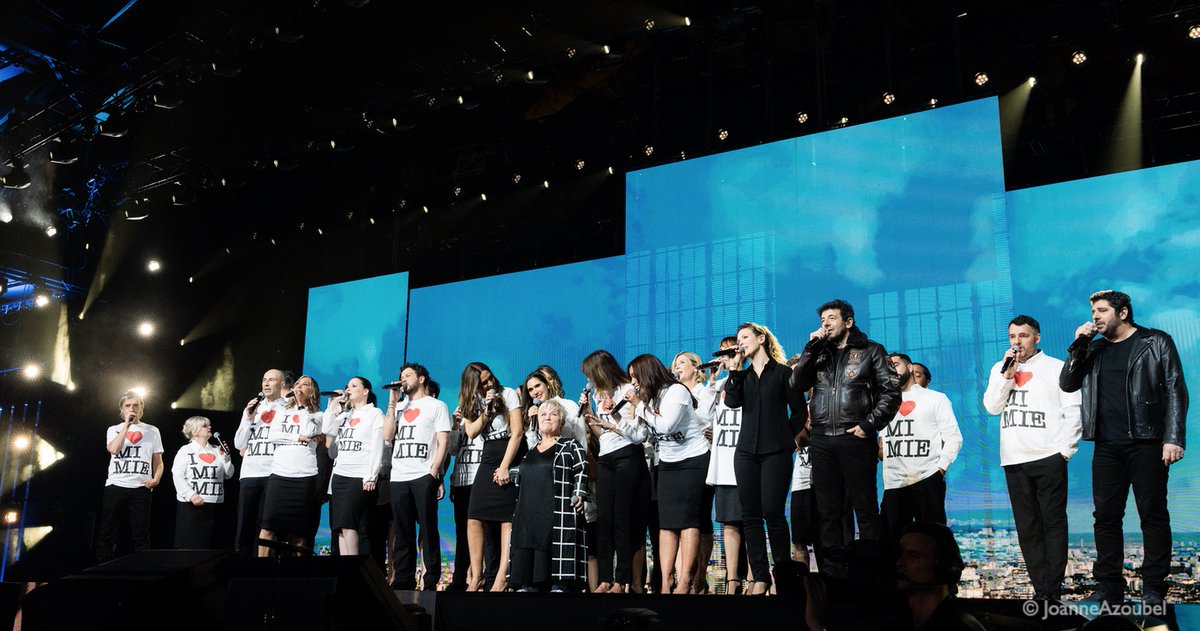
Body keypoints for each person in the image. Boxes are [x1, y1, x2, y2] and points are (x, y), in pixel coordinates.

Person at [1060, 290, 1187, 606]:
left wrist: (1173, 437)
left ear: (1123, 313)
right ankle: (1109, 587)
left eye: (1102, 311)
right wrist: (1079, 344)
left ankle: (1154, 587)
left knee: (1152, 515)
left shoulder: (1156, 341)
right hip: (1106, 445)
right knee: (1105, 517)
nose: (1095, 317)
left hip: (1147, 441)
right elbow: (1068, 383)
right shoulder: (1094, 348)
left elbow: (1175, 390)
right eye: (1093, 312)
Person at [790, 299, 901, 575]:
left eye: (832, 318)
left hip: (855, 438)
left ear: (848, 322)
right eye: (822, 320)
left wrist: (869, 424)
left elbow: (891, 393)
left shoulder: (871, 351)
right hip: (822, 440)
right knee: (828, 512)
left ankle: (871, 574)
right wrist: (810, 348)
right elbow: (797, 383)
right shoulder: (819, 352)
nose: (825, 324)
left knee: (865, 509)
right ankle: (833, 574)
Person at [981, 315, 1082, 600]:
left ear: (1036, 337)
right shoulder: (1000, 368)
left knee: (1053, 523)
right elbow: (992, 407)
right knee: (1027, 528)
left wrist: (1064, 451)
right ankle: (1041, 590)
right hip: (1013, 458)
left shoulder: (1056, 367)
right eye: (1013, 336)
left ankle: (1053, 590)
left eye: (1023, 336)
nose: (1017, 342)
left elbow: (1074, 410)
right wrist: (1006, 376)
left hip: (1048, 455)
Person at [724, 322, 806, 594]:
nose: (740, 343)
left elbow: (799, 412)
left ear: (761, 339)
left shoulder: (783, 373)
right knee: (750, 516)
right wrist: (734, 370)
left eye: (745, 337)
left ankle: (782, 575)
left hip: (776, 452)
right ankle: (760, 577)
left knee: (773, 512)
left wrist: (788, 439)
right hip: (746, 452)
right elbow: (731, 402)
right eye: (738, 339)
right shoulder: (742, 376)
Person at [626, 353, 710, 594]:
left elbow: (666, 426)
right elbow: (638, 437)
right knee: (667, 523)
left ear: (646, 373)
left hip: (693, 459)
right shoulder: (649, 398)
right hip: (668, 462)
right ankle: (665, 582)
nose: (633, 382)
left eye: (635, 376)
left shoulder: (677, 391)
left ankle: (685, 580)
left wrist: (639, 405)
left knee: (688, 520)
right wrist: (618, 417)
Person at [580, 350, 650, 594]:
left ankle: (622, 580)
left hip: (628, 454)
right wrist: (589, 415)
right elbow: (603, 433)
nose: (588, 380)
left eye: (590, 374)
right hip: (606, 456)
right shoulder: (598, 394)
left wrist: (615, 414)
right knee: (604, 518)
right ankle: (605, 579)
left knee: (622, 516)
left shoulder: (627, 390)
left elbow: (634, 432)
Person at [509, 399, 590, 592]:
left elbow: (581, 468)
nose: (547, 417)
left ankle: (558, 583)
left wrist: (579, 493)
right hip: (528, 509)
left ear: (561, 422)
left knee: (551, 538)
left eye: (553, 414)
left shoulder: (570, 445)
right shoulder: (530, 450)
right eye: (543, 414)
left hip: (556, 507)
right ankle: (527, 582)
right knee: (527, 537)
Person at [384, 363, 450, 590]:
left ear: (421, 379)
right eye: (401, 376)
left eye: (408, 375)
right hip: (399, 475)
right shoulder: (399, 406)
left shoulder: (436, 405)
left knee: (428, 527)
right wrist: (392, 403)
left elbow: (443, 441)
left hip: (423, 473)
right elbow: (387, 435)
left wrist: (434, 471)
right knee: (402, 529)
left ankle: (430, 577)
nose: (403, 379)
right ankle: (404, 577)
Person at [461, 362, 525, 591]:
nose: (490, 383)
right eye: (484, 382)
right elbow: (471, 432)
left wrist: (505, 466)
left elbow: (518, 432)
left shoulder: (507, 394)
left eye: (490, 378)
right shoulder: (472, 401)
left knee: (507, 517)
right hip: (488, 454)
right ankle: (476, 576)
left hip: (510, 452)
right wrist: (487, 411)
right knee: (474, 515)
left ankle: (501, 576)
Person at [882, 353, 963, 535]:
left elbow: (953, 437)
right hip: (894, 482)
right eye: (887, 367)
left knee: (932, 539)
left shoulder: (935, 398)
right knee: (891, 541)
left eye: (895, 364)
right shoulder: (885, 403)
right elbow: (882, 442)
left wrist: (939, 470)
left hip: (927, 478)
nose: (891, 370)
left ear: (909, 367)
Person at [705, 336, 751, 593]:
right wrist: (711, 381)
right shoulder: (720, 385)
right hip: (723, 462)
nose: (725, 356)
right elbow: (702, 415)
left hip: (746, 459)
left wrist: (737, 368)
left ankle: (755, 577)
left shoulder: (750, 378)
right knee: (729, 522)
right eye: (722, 353)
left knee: (752, 520)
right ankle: (732, 579)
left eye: (730, 352)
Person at [259, 374, 324, 556]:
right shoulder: (282, 411)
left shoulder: (318, 415)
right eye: (297, 383)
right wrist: (298, 438)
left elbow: (309, 430)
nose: (299, 386)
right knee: (268, 526)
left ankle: (295, 570)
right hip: (280, 474)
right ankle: (260, 568)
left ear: (312, 391)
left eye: (305, 384)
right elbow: (273, 435)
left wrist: (302, 407)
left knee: (299, 531)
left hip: (304, 476)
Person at [672, 351, 720, 594]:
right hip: (677, 461)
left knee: (701, 517)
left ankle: (700, 576)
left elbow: (704, 420)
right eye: (674, 364)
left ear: (695, 367)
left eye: (682, 363)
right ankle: (683, 576)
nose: (677, 367)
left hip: (701, 457)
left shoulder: (705, 390)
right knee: (682, 518)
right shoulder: (672, 393)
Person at [97, 390, 164, 563]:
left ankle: (143, 569)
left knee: (141, 533)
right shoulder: (114, 429)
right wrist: (126, 426)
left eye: (136, 405)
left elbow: (158, 461)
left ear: (141, 408)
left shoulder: (152, 431)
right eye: (128, 405)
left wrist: (156, 479)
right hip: (116, 485)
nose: (132, 408)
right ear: (122, 409)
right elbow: (113, 449)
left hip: (141, 487)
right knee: (107, 531)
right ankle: (102, 568)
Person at [322, 376, 385, 555]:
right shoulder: (345, 415)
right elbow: (327, 430)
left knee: (349, 524)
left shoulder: (374, 413)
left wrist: (371, 476)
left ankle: (355, 566)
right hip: (339, 475)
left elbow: (377, 446)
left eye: (354, 386)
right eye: (347, 386)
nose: (348, 389)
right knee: (340, 528)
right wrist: (332, 405)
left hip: (358, 475)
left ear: (365, 391)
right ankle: (345, 567)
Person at [891, 523, 985, 631]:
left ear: (943, 566)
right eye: (899, 554)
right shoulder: (895, 624)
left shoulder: (962, 627)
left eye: (913, 555)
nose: (899, 563)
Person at [233, 369, 287, 554]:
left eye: (271, 380)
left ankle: (264, 564)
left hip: (274, 472)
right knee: (245, 523)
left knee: (268, 523)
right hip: (249, 472)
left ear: (282, 384)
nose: (266, 383)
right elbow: (239, 443)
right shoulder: (254, 408)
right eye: (264, 379)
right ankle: (242, 562)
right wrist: (248, 418)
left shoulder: (287, 408)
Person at [171, 415, 234, 548]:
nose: (209, 427)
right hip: (192, 506)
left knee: (213, 546)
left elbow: (229, 474)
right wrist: (191, 495)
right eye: (205, 426)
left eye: (209, 425)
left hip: (215, 506)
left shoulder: (217, 450)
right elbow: (177, 476)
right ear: (194, 431)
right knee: (190, 546)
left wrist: (226, 458)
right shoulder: (185, 451)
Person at [447, 401, 485, 590]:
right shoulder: (461, 422)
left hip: (480, 481)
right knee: (461, 532)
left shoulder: (487, 419)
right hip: (462, 482)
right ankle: (460, 578)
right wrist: (455, 426)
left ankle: (482, 575)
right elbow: (453, 450)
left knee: (483, 531)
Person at [523, 368, 585, 447]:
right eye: (530, 390)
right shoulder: (535, 413)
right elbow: (532, 445)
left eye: (537, 386)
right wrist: (532, 421)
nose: (535, 392)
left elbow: (581, 438)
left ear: (547, 385)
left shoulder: (569, 405)